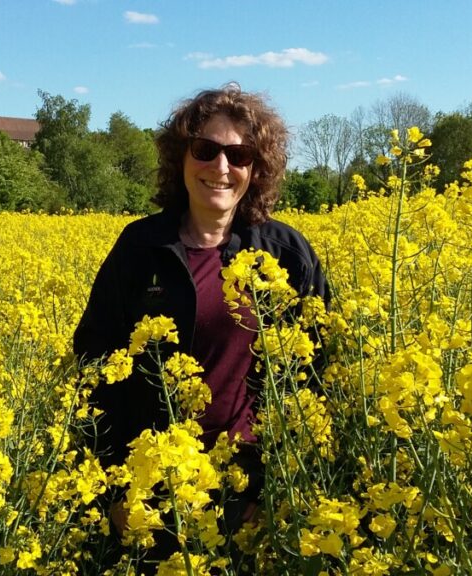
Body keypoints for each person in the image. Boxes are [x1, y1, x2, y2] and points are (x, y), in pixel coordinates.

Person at [73, 83, 328, 564]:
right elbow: (95, 365)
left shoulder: (287, 254)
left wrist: (275, 486)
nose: (221, 167)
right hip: (151, 492)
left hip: (243, 495)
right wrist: (112, 488)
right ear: (181, 158)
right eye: (205, 150)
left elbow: (314, 377)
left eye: (239, 154)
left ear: (257, 167)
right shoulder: (140, 248)